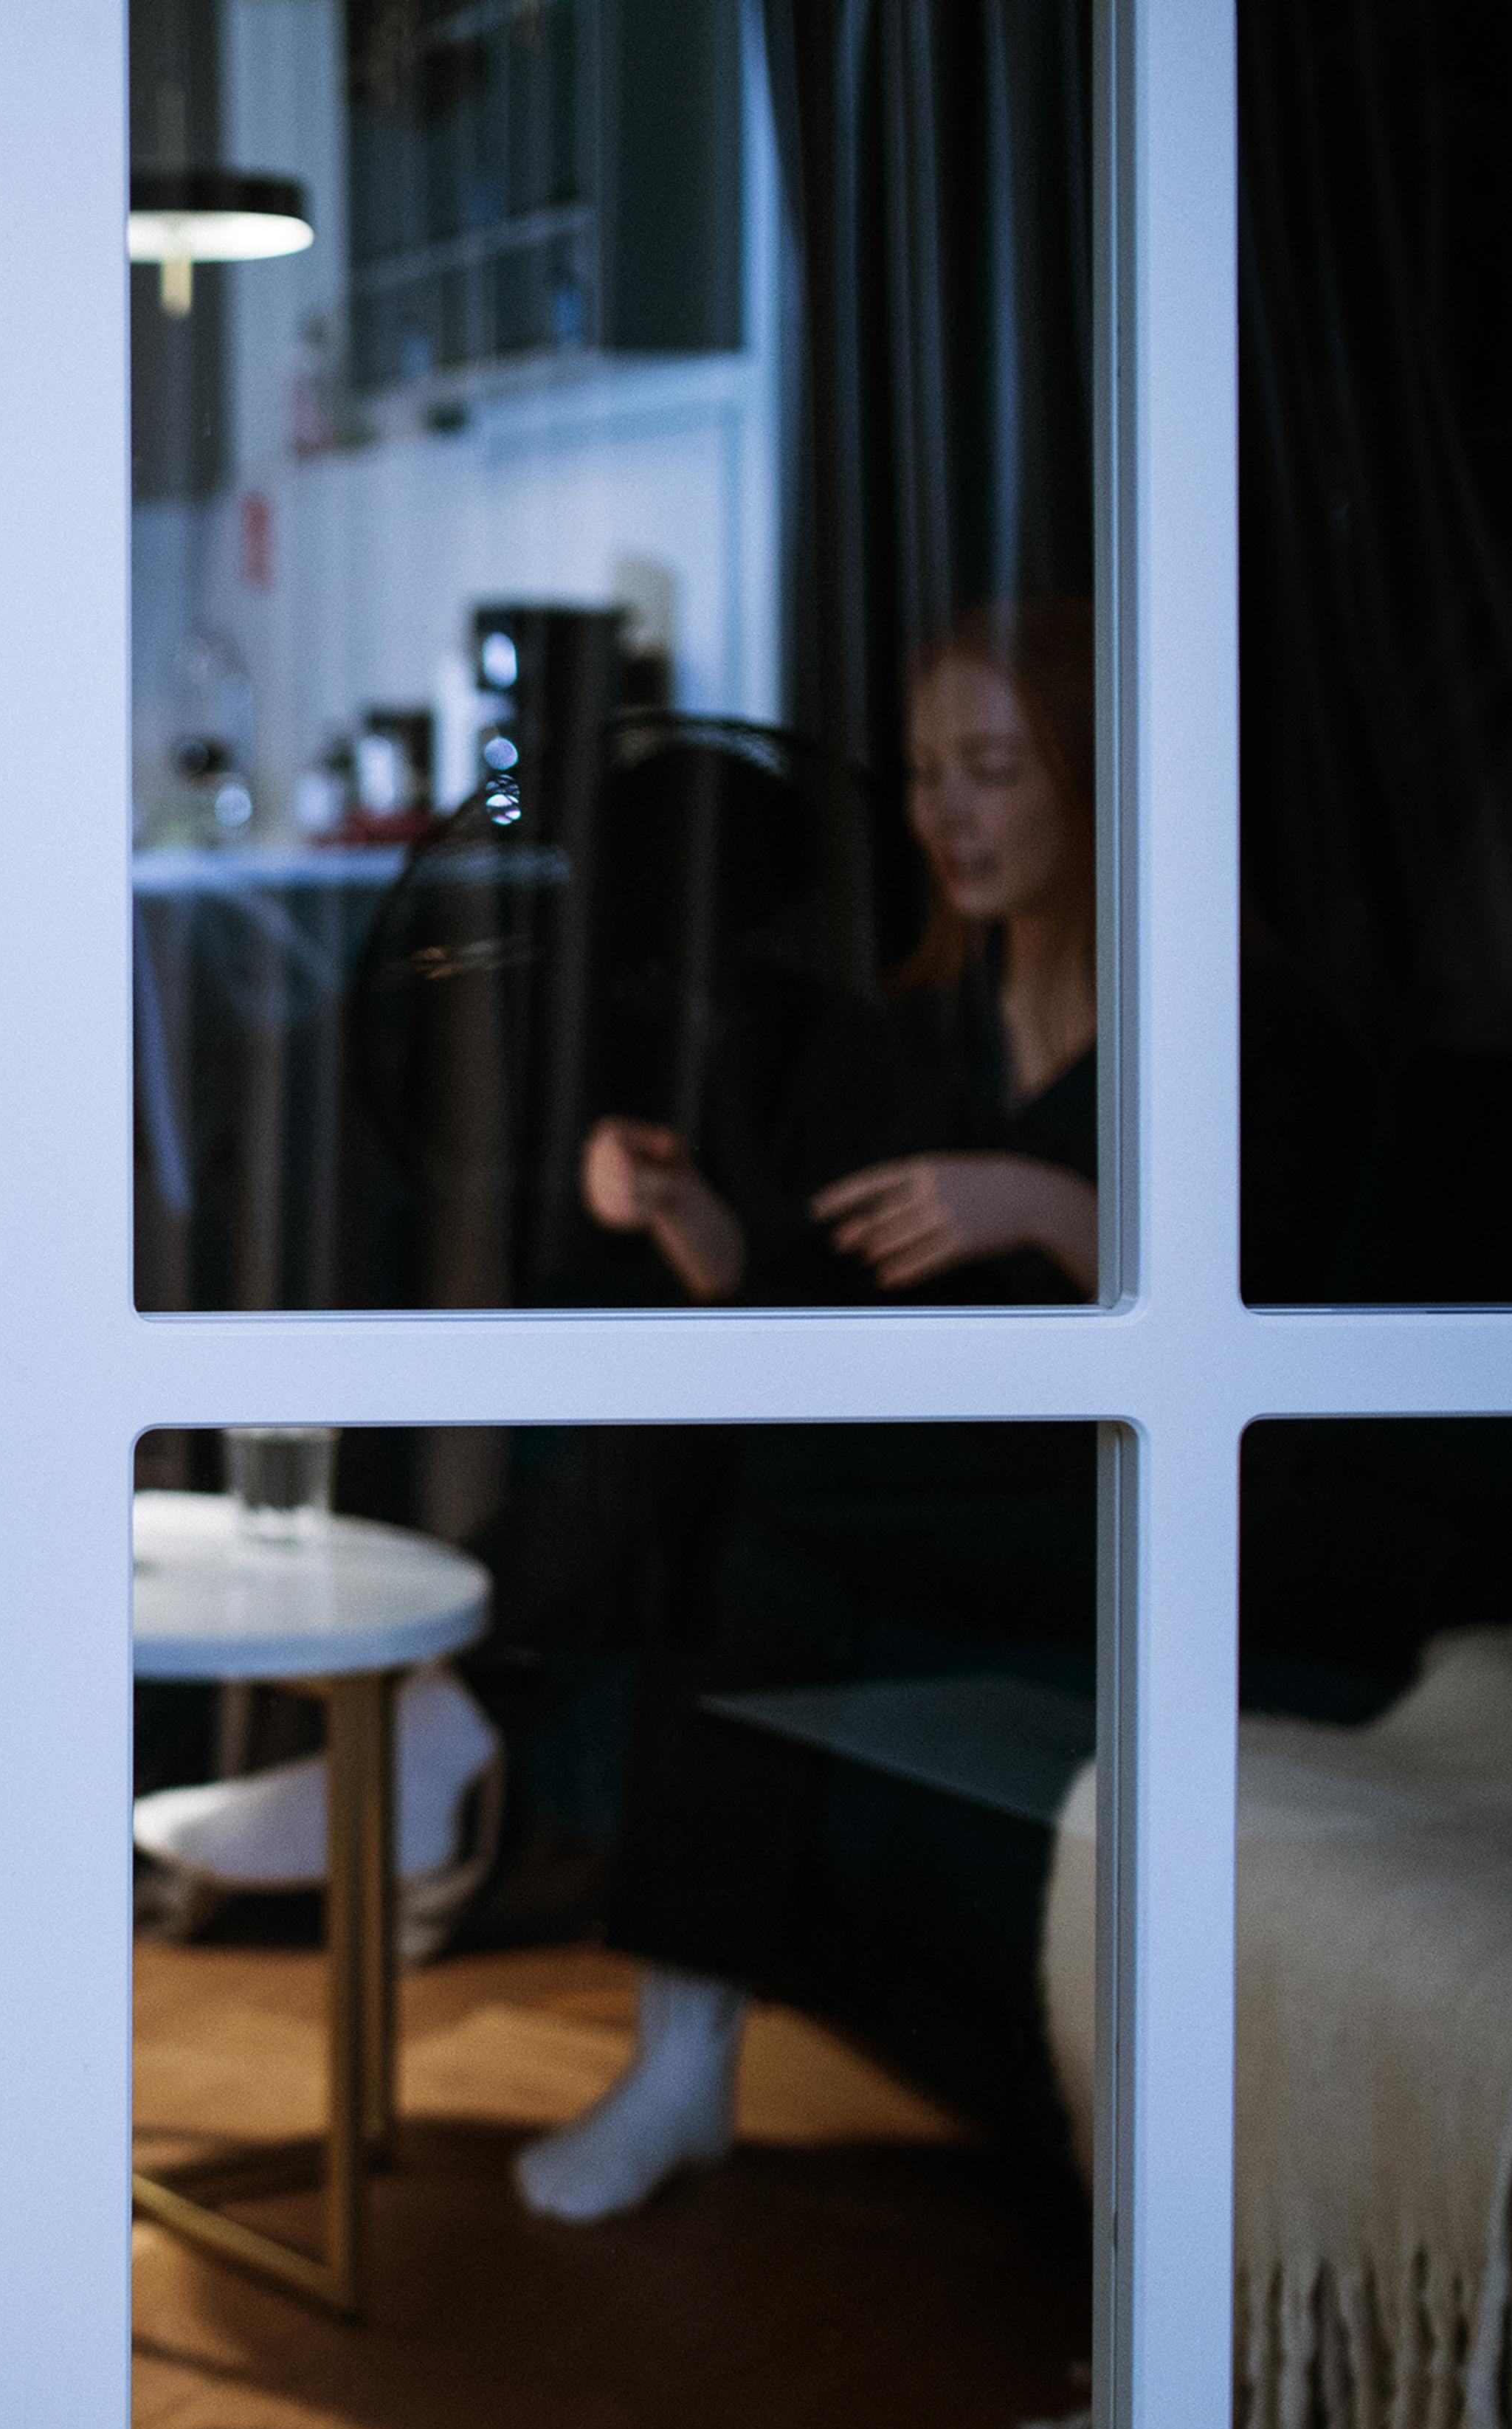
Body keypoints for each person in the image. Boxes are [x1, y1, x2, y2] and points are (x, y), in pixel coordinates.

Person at [518, 599, 1105, 2224]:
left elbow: (1262, 1312)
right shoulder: (918, 1036)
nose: (946, 815)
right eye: (927, 773)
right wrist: (682, 1208)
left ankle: (461, 1720)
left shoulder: (1220, 1037)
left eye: (991, 768)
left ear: (1090, 776)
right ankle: (680, 2055)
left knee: (748, 1489)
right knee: (671, 1382)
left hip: (1087, 1495)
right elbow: (803, 1295)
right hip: (888, 1477)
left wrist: (1048, 1211)